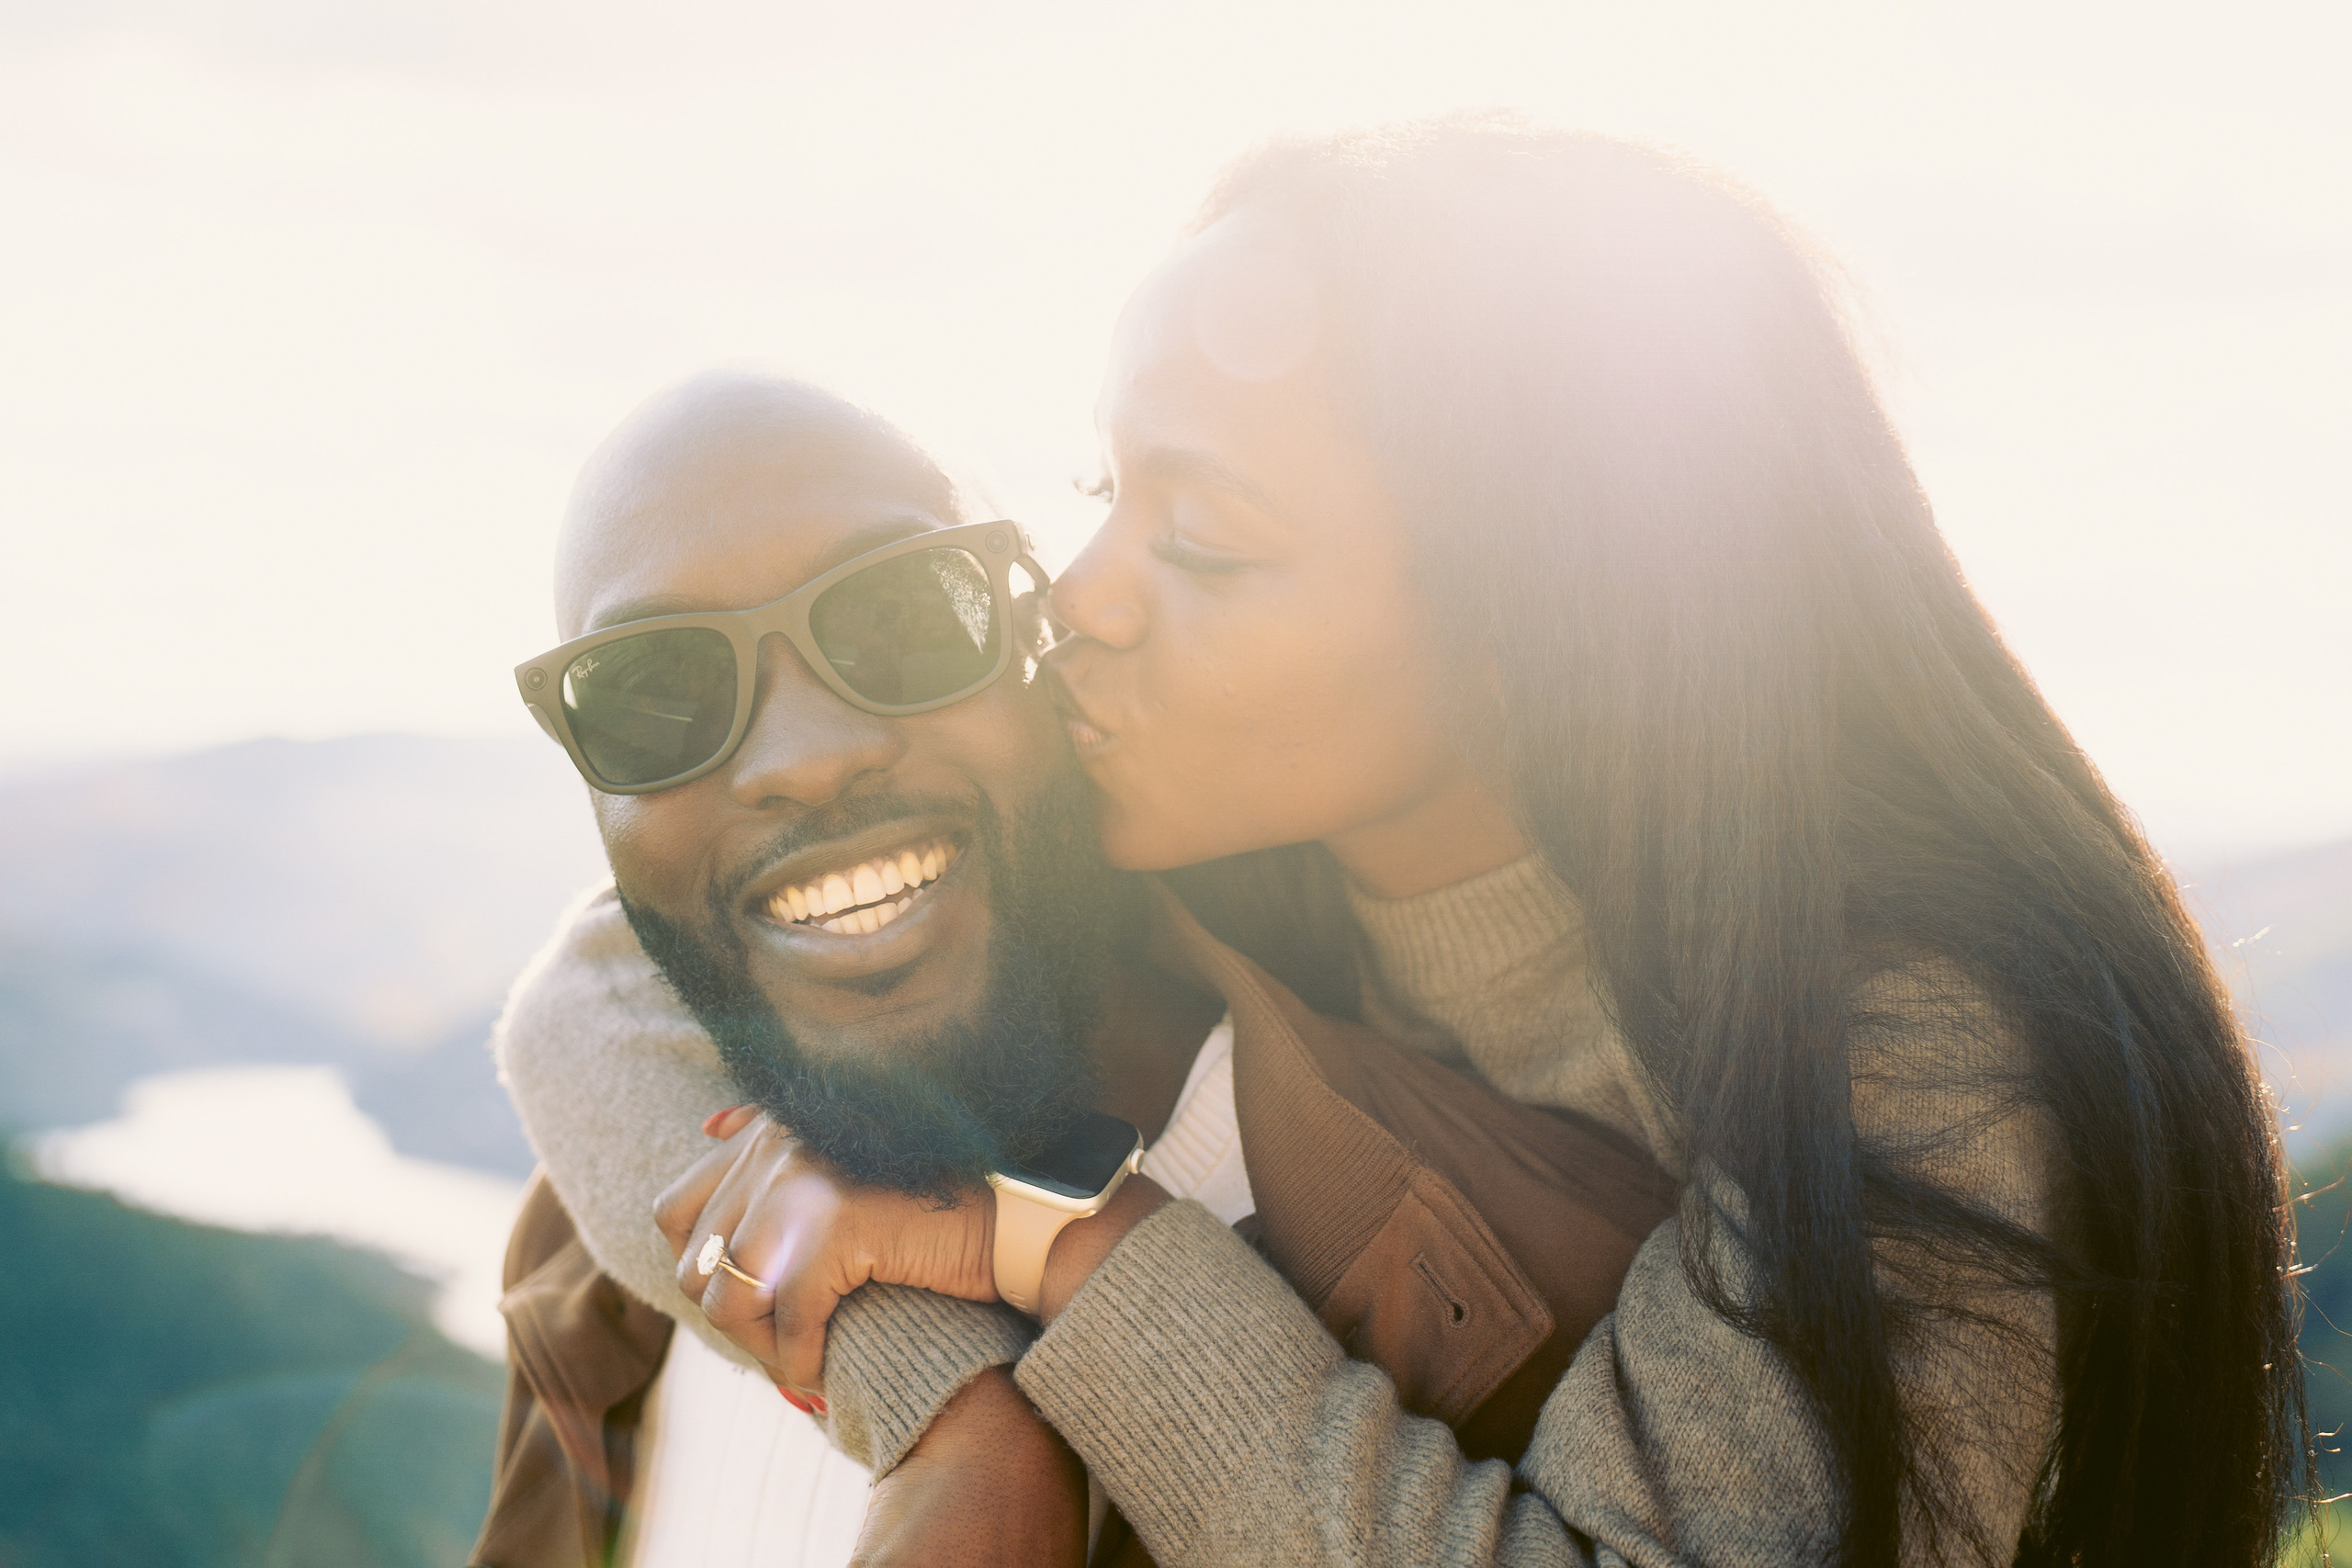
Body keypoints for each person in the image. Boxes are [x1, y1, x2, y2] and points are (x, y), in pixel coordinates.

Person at [657, 119, 2301, 1566]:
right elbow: (622, 965)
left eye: (1204, 539)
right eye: (1108, 488)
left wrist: (1069, 1242)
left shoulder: (1913, 1059)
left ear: (1541, 619)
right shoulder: (1190, 818)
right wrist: (952, 1417)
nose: (1081, 594)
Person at [472, 371, 1675, 1568]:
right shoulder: (638, 1217)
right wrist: (957, 1411)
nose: (807, 759)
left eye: (903, 616)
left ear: (1042, 646)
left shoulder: (1512, 1294)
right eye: (652, 697)